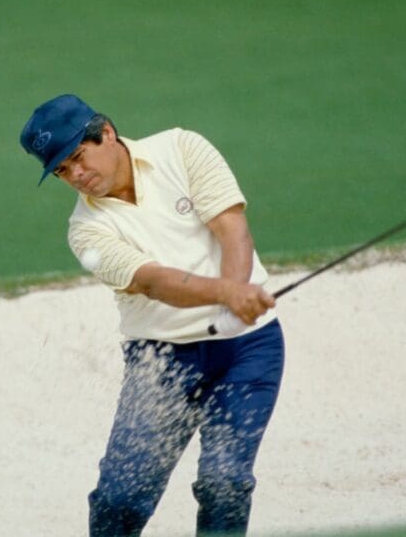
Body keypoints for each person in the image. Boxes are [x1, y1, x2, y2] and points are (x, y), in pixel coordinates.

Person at [19, 94, 284, 536]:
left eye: (77, 158)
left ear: (106, 133)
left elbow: (232, 226)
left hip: (246, 350)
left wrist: (235, 303)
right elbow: (153, 282)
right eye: (63, 171)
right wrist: (230, 295)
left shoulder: (182, 148)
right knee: (120, 500)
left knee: (225, 483)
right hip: (162, 361)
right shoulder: (86, 231)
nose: (76, 176)